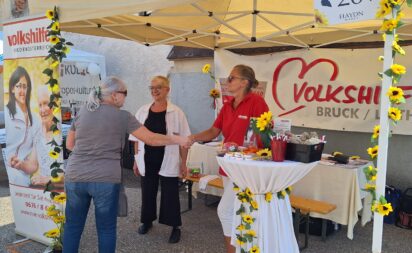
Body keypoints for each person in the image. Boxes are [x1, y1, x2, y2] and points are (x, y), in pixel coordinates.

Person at [63, 76, 191, 253]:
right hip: (106, 179)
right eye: (125, 94)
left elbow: (70, 145)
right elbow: (152, 139)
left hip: (75, 176)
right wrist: (178, 139)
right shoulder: (123, 116)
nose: (125, 98)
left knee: (72, 227)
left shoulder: (83, 111)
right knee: (106, 229)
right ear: (115, 95)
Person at [189, 65, 269, 253]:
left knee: (225, 211)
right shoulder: (227, 105)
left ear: (244, 82)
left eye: (232, 78)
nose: (227, 81)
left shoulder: (257, 102)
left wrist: (251, 149)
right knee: (236, 214)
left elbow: (265, 135)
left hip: (246, 169)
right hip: (227, 167)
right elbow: (213, 131)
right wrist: (191, 138)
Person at [129, 76, 190, 243]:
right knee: (147, 192)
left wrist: (183, 163)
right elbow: (136, 138)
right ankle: (147, 221)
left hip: (168, 159)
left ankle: (175, 227)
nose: (155, 90)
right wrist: (136, 159)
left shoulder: (177, 112)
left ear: (167, 90)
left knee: (170, 194)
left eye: (159, 87)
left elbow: (184, 141)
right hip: (146, 158)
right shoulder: (142, 111)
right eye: (152, 87)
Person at [4, 66, 40, 187]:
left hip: (23, 177)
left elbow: (34, 165)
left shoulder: (35, 119)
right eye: (18, 86)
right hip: (8, 172)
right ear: (12, 88)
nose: (22, 90)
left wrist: (22, 165)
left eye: (25, 86)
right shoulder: (7, 114)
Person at [30, 86, 64, 186]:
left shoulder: (61, 131)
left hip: (61, 195)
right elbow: (32, 164)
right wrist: (19, 164)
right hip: (43, 195)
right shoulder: (37, 132)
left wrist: (47, 179)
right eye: (40, 105)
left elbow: (70, 172)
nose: (42, 109)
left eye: (45, 103)